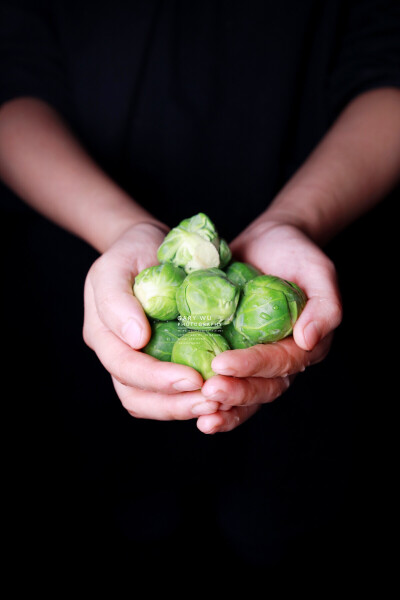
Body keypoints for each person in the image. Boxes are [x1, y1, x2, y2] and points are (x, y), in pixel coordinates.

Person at [1, 0, 399, 570]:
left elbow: (388, 63)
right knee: (118, 510)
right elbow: (12, 77)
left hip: (330, 236)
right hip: (80, 268)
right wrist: (120, 228)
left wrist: (298, 219)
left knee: (284, 523)